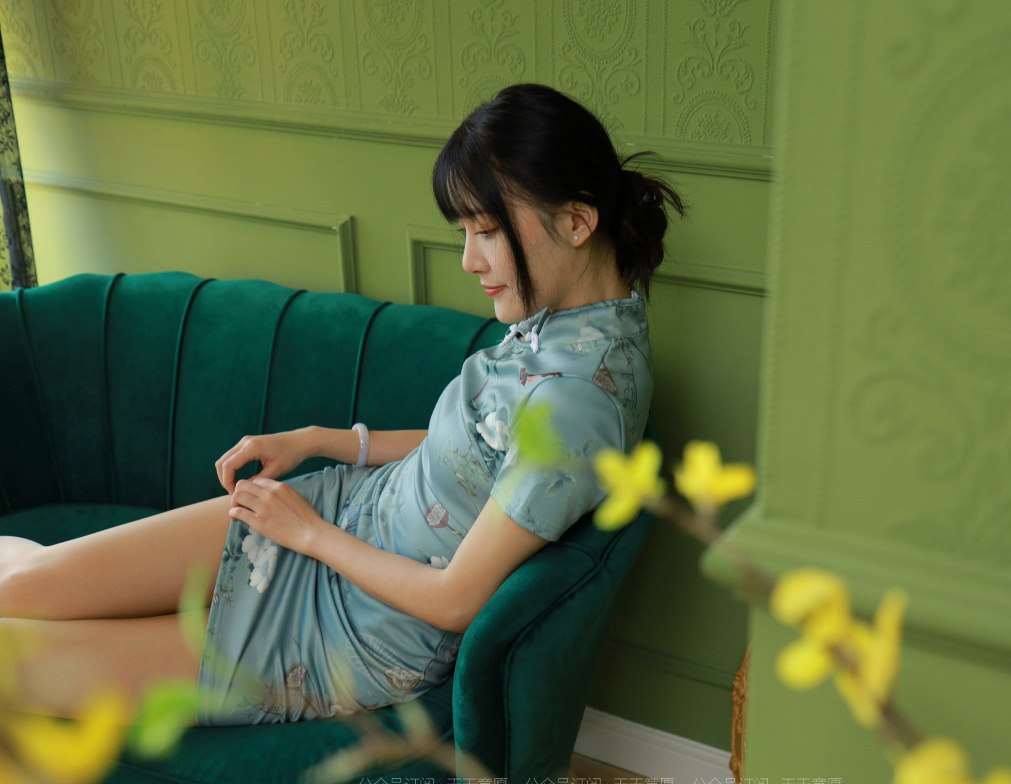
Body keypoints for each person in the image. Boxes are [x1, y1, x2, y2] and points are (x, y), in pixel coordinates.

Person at [0, 83, 685, 725]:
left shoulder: (576, 404)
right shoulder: (566, 324)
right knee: (25, 581)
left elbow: (455, 601)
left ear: (577, 221)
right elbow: (478, 451)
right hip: (345, 513)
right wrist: (322, 439)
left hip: (341, 630)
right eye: (464, 232)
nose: (469, 261)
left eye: (487, 231)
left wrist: (308, 536)